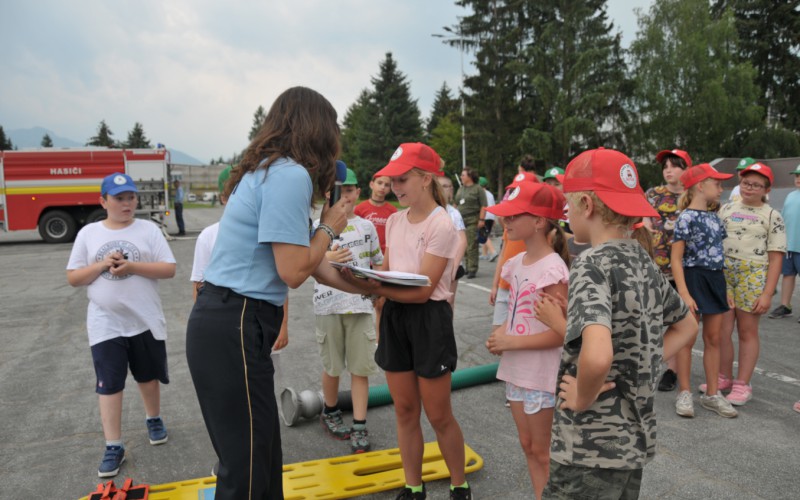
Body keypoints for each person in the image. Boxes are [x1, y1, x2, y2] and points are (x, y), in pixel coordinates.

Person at [185, 86, 359, 500]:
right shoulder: (288, 175)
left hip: (230, 322)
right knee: (247, 472)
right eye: (333, 127)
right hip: (236, 322)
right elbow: (294, 271)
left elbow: (309, 262)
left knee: (261, 458)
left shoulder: (268, 172)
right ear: (316, 128)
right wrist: (329, 226)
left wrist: (368, 289)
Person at [544, 148, 697, 499]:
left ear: (586, 205)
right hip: (632, 444)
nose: (566, 213)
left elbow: (598, 356)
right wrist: (644, 362)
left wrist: (582, 396)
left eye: (568, 203)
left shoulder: (591, 264)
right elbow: (687, 326)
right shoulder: (642, 259)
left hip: (587, 449)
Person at [342, 142, 472, 500]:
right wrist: (361, 277)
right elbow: (387, 271)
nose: (394, 187)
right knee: (405, 409)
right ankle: (414, 486)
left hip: (428, 318)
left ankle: (459, 485)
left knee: (439, 415)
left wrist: (374, 287)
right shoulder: (396, 220)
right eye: (392, 180)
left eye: (402, 179)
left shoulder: (441, 223)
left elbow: (423, 290)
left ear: (426, 179)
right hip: (396, 316)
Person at [66, 172, 177, 478]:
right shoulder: (89, 233)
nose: (127, 203)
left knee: (148, 376)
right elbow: (74, 277)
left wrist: (132, 267)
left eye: (131, 197)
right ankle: (113, 445)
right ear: (103, 202)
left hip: (144, 319)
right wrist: (103, 264)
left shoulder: (149, 229)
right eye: (119, 199)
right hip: (105, 323)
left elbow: (169, 269)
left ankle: (153, 418)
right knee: (109, 383)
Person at [483, 181, 569, 499]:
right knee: (528, 446)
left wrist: (511, 343)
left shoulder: (553, 268)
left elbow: (559, 333)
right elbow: (516, 315)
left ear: (539, 222)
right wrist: (500, 336)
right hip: (517, 370)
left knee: (543, 452)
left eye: (513, 215)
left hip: (540, 374)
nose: (505, 221)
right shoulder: (516, 263)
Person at [313, 166, 383, 454]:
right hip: (327, 307)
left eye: (350, 190)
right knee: (332, 367)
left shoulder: (367, 227)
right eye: (338, 191)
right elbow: (305, 261)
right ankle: (330, 411)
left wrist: (380, 292)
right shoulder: (318, 228)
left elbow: (378, 263)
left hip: (360, 306)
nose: (345, 196)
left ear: (358, 192)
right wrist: (326, 254)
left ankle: (359, 424)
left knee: (360, 369)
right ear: (328, 194)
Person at [670, 163, 739, 418]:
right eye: (717, 184)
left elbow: (719, 255)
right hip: (693, 278)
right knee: (687, 339)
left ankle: (712, 394)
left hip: (715, 279)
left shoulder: (715, 218)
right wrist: (684, 293)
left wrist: (725, 288)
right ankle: (684, 392)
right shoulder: (685, 217)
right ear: (700, 186)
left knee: (714, 338)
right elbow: (676, 259)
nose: (721, 189)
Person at [715, 163, 786, 406]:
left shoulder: (772, 216)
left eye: (756, 185)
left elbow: (776, 257)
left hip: (753, 276)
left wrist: (767, 293)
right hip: (725, 275)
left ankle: (743, 384)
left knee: (747, 331)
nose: (749, 188)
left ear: (767, 189)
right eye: (746, 183)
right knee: (722, 330)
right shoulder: (726, 209)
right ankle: (723, 376)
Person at [645, 148, 692, 392]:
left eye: (675, 165)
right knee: (651, 318)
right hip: (655, 267)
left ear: (687, 169)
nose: (669, 170)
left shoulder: (693, 196)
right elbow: (642, 219)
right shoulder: (653, 194)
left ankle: (671, 371)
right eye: (665, 167)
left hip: (683, 270)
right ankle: (648, 362)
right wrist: (645, 225)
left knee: (678, 320)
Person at [768, 163, 800, 320]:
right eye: (797, 175)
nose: (798, 178)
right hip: (789, 245)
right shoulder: (790, 196)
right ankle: (785, 305)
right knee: (788, 275)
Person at [436, 175, 468, 309]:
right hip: (431, 265)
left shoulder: (453, 213)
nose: (446, 189)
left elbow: (462, 240)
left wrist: (454, 267)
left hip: (450, 266)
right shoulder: (427, 210)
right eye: (442, 186)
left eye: (448, 187)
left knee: (448, 303)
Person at [455, 167, 487, 279]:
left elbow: (483, 205)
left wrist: (482, 219)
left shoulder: (478, 189)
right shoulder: (461, 189)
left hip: (472, 220)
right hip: (460, 221)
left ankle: (472, 268)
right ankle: (467, 267)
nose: (461, 177)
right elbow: (456, 203)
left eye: (463, 175)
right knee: (463, 245)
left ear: (470, 176)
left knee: (472, 245)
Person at [355, 173, 397, 254]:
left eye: (387, 185)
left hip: (384, 254)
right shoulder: (360, 208)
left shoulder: (393, 211)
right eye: (379, 183)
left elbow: (395, 237)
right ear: (371, 184)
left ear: (390, 189)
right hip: (364, 253)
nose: (383, 187)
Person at [478, 176, 498, 262]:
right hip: (491, 217)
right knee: (485, 233)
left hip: (484, 216)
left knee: (483, 235)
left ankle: (493, 252)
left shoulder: (480, 193)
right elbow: (493, 205)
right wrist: (494, 218)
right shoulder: (490, 194)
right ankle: (484, 254)